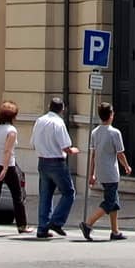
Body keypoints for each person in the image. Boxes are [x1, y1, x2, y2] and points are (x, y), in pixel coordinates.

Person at [81, 102, 132, 241]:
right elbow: (120, 153)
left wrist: (92, 174)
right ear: (111, 115)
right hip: (111, 172)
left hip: (101, 172)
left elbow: (93, 155)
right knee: (109, 202)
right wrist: (127, 167)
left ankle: (115, 231)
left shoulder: (94, 132)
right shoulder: (114, 133)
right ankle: (88, 223)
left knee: (114, 201)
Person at [31, 96, 79, 239]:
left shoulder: (40, 121)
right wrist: (73, 150)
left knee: (45, 196)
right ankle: (56, 221)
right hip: (57, 162)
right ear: (62, 109)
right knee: (69, 192)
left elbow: (32, 143)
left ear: (48, 106)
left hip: (42, 161)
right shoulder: (58, 123)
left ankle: (42, 228)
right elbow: (65, 146)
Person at [0, 100, 27, 236]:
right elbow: (7, 151)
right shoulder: (11, 130)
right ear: (13, 116)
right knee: (17, 196)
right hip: (8, 166)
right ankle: (22, 225)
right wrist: (5, 169)